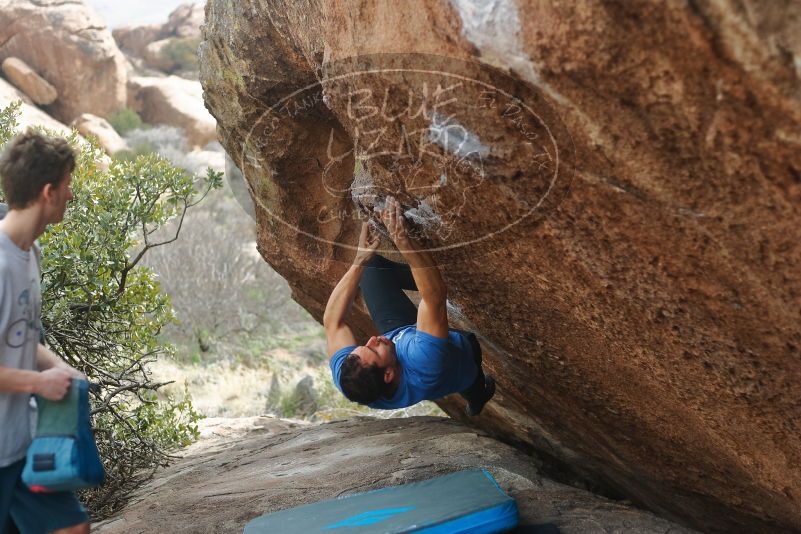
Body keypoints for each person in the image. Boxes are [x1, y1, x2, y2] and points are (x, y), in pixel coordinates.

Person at [324, 196, 496, 415]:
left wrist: (359, 260)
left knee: (372, 268)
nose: (372, 339)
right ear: (388, 375)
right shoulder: (423, 361)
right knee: (470, 362)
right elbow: (434, 296)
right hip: (457, 362)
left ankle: (436, 269)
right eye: (372, 349)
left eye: (364, 345)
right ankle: (477, 396)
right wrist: (403, 240)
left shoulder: (351, 378)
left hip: (399, 333)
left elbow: (332, 322)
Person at [0, 131, 90, 534]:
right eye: (68, 186)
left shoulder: (30, 252)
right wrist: (39, 383)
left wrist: (62, 368)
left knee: (71, 529)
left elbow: (20, 338)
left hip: (21, 444)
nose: (71, 195)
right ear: (49, 191)